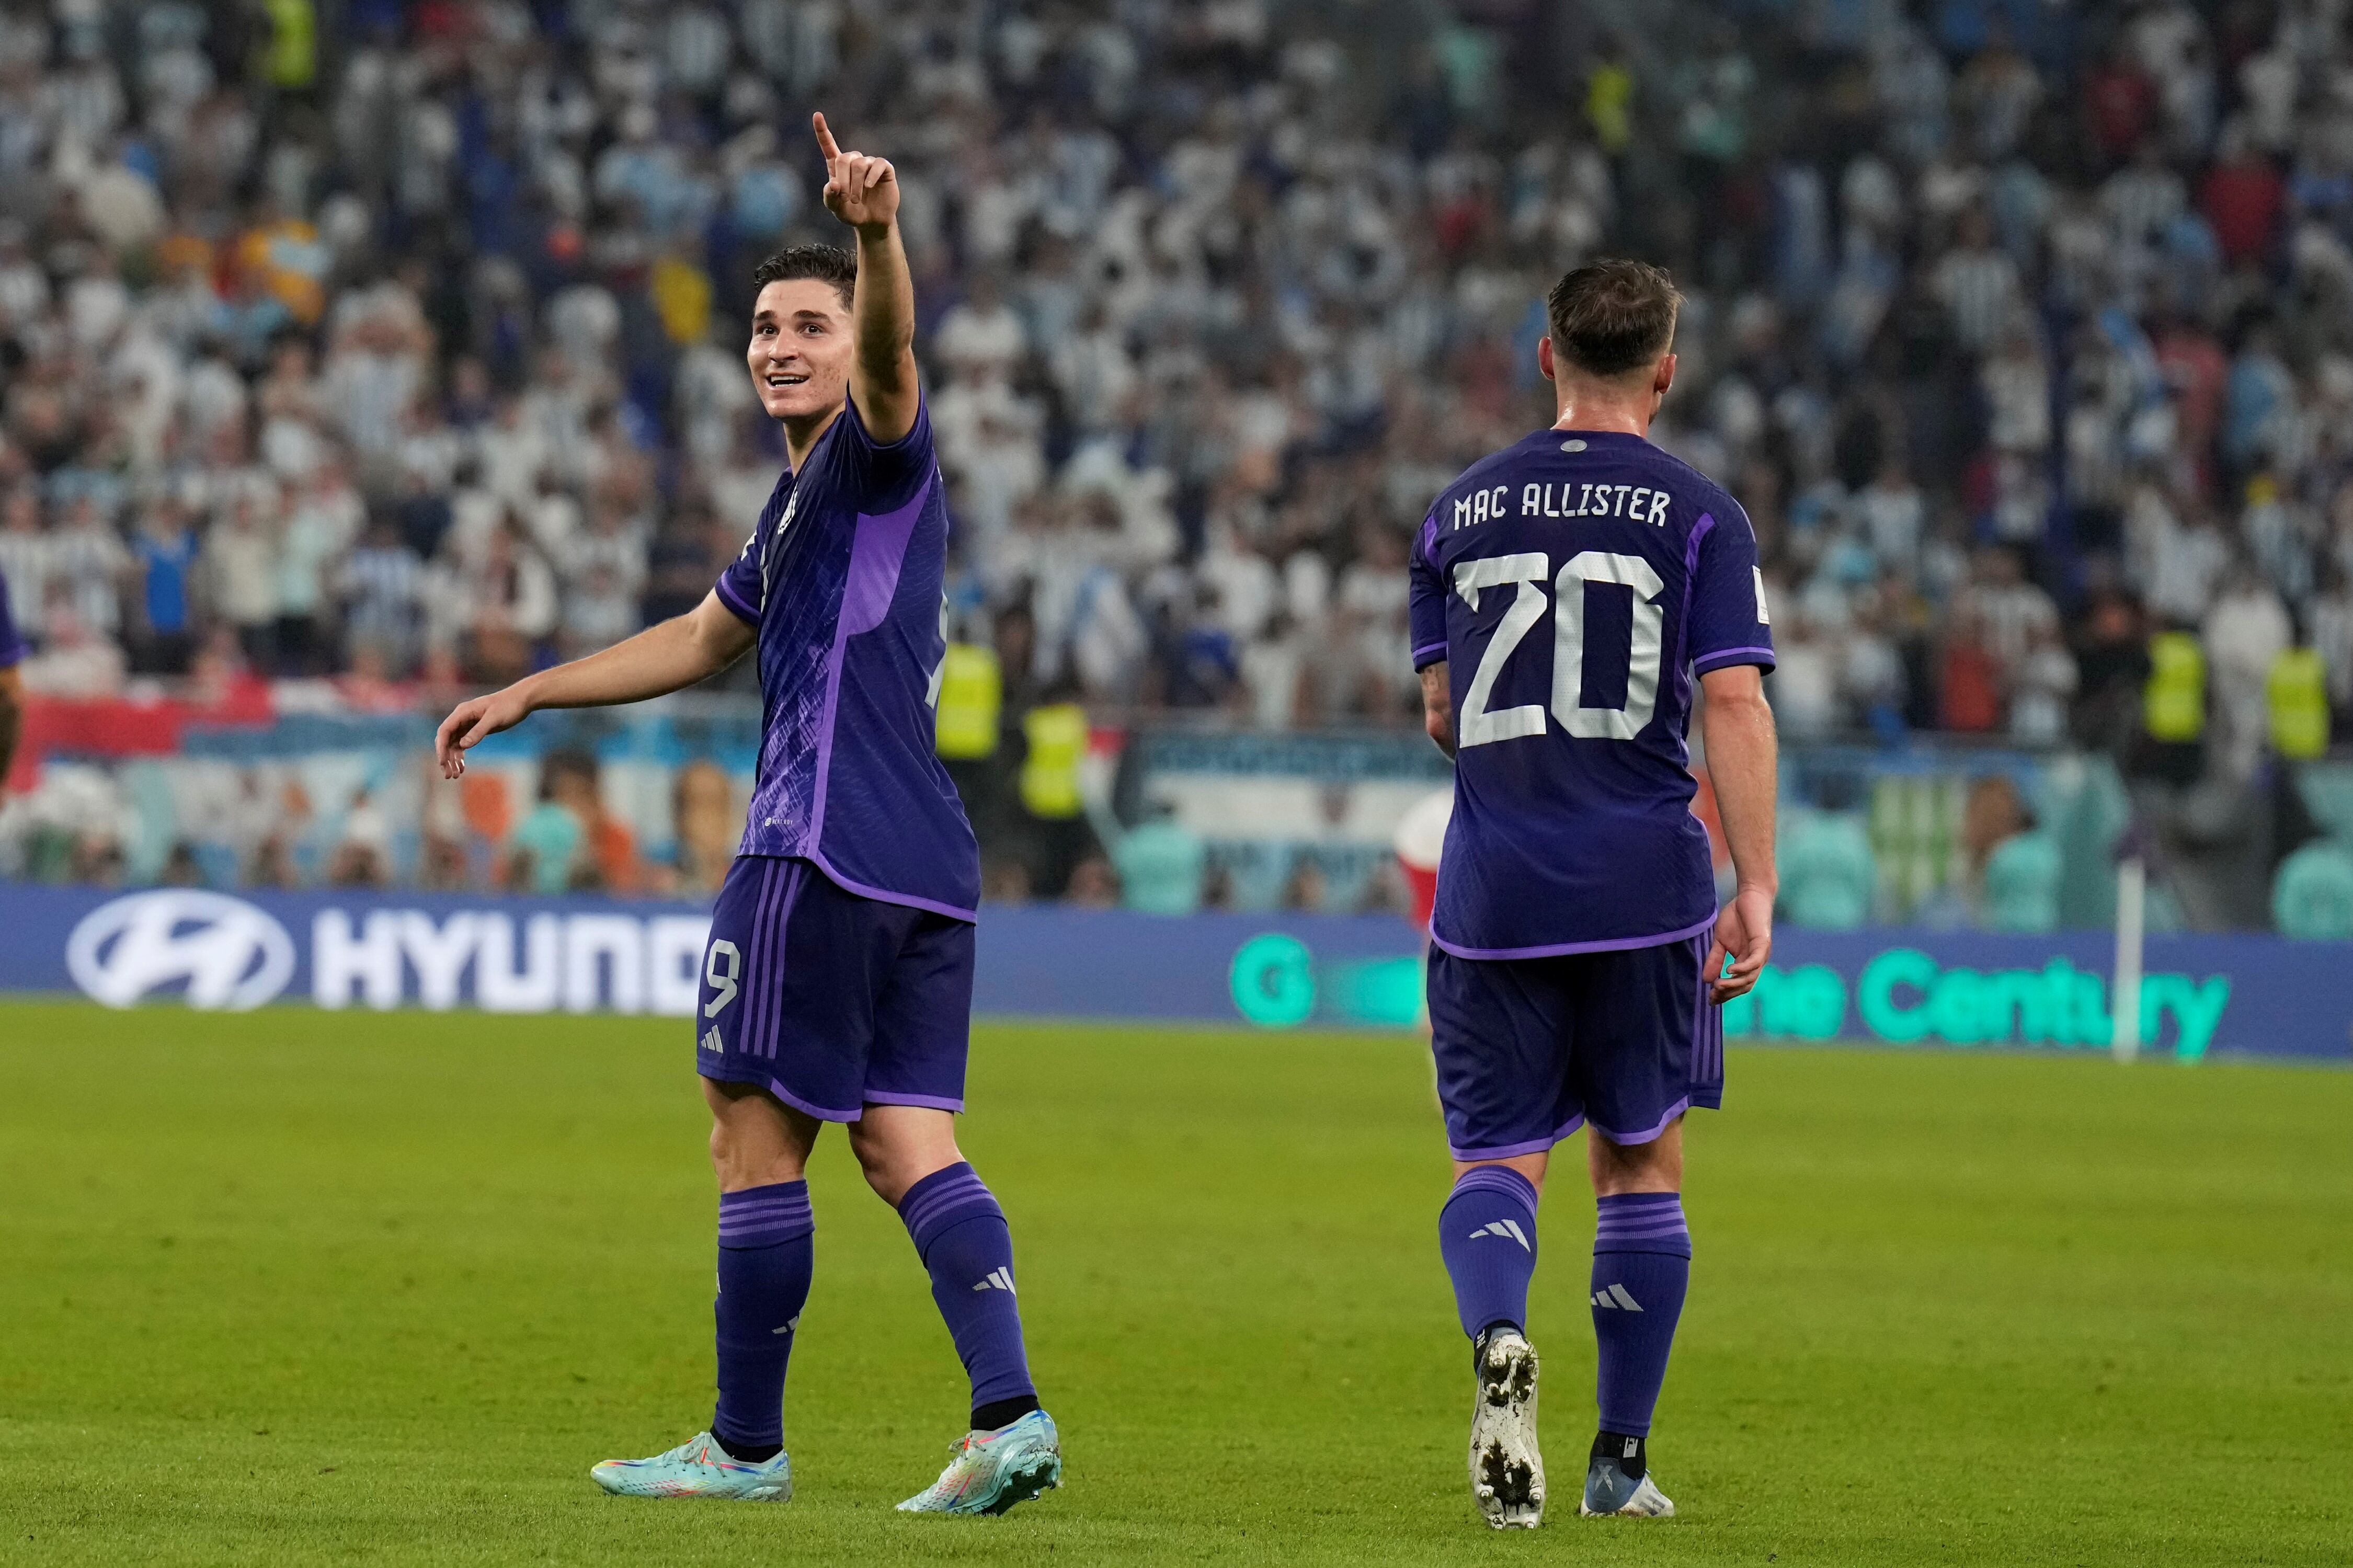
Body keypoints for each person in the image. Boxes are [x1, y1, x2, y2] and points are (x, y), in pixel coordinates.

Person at [432, 116, 1059, 1515]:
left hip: (815, 842)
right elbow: (703, 640)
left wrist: (878, 240)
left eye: (810, 324)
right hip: (925, 863)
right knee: (907, 1145)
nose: (782, 344)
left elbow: (898, 367)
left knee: (748, 1137)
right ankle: (1009, 1414)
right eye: (766, 325)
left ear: (851, 345)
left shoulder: (872, 455)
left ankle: (743, 1445)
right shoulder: (796, 511)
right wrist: (531, 689)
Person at [1408, 259, 1777, 1529]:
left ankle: (1501, 1340)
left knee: (1497, 1159)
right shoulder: (1704, 516)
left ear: (1545, 359)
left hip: (1499, 887)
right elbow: (1733, 699)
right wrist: (1758, 879)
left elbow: (1448, 716)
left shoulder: (1452, 513)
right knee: (1642, 1166)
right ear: (1665, 372)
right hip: (1647, 890)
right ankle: (1619, 1462)